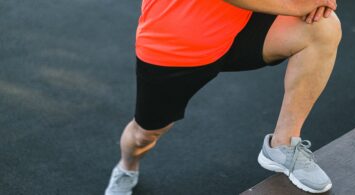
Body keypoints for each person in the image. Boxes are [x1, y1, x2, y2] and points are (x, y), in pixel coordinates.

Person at [105, 0, 342, 194]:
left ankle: (283, 145)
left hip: (240, 26)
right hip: (175, 48)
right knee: (144, 135)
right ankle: (127, 167)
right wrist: (297, 5)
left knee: (323, 28)